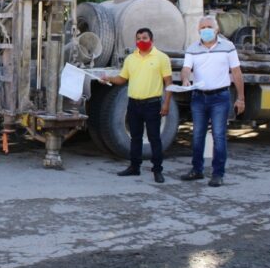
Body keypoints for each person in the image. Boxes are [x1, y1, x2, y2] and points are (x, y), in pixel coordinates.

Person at [180, 16, 245, 187]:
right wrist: (186, 79)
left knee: (218, 136)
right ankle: (197, 170)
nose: (206, 30)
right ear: (198, 30)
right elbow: (186, 69)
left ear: (217, 29)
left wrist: (241, 98)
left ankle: (218, 174)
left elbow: (236, 73)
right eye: (203, 27)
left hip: (220, 98)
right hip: (199, 98)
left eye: (209, 26)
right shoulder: (192, 48)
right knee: (197, 135)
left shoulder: (228, 47)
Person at [102, 28, 173, 183]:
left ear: (151, 39)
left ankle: (157, 170)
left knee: (154, 138)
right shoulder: (130, 59)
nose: (141, 40)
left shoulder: (161, 58)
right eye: (139, 38)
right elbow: (122, 79)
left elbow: (168, 83)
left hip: (152, 104)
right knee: (135, 138)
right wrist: (108, 78)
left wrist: (166, 103)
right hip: (134, 104)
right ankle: (134, 167)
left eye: (145, 37)